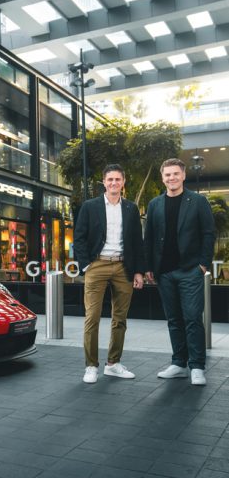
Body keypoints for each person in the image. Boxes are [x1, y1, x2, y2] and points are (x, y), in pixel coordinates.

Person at [145, 158, 215, 386]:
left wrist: (203, 264)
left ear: (183, 176)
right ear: (162, 177)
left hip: (190, 270)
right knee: (174, 319)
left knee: (193, 318)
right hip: (164, 272)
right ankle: (178, 363)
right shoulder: (155, 204)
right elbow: (150, 238)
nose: (171, 178)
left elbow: (208, 234)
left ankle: (197, 366)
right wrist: (148, 267)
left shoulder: (198, 201)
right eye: (167, 175)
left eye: (175, 174)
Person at [73, 164, 145, 384]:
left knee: (120, 319)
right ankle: (91, 366)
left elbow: (136, 242)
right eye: (110, 179)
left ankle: (113, 364)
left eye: (117, 179)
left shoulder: (131, 209)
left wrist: (139, 271)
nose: (114, 183)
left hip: (124, 267)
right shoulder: (90, 206)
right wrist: (86, 266)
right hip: (98, 265)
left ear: (123, 182)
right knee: (92, 317)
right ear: (104, 182)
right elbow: (79, 237)